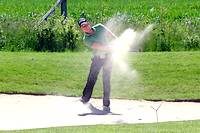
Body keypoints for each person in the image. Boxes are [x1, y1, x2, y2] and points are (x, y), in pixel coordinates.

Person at [78, 18, 116, 112]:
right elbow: (101, 48)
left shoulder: (99, 27)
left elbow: (112, 36)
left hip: (108, 58)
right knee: (92, 79)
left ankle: (106, 104)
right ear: (81, 29)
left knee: (106, 80)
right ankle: (85, 99)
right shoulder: (86, 39)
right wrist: (112, 48)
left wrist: (117, 43)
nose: (85, 27)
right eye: (83, 26)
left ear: (89, 24)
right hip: (97, 59)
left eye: (86, 24)